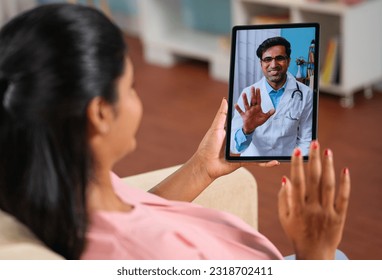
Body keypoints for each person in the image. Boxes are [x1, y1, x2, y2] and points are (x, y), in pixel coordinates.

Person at [0, 4, 350, 260]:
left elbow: (136, 209)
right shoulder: (149, 252)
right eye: (131, 87)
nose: (138, 99)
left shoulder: (69, 183)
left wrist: (201, 167)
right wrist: (314, 254)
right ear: (100, 114)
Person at [231, 37, 313, 157]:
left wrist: (295, 164)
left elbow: (306, 140)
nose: (273, 65)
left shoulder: (306, 94)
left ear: (288, 61)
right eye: (267, 59)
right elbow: (234, 147)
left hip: (287, 162)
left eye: (279, 58)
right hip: (254, 162)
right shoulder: (248, 94)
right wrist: (246, 130)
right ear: (261, 64)